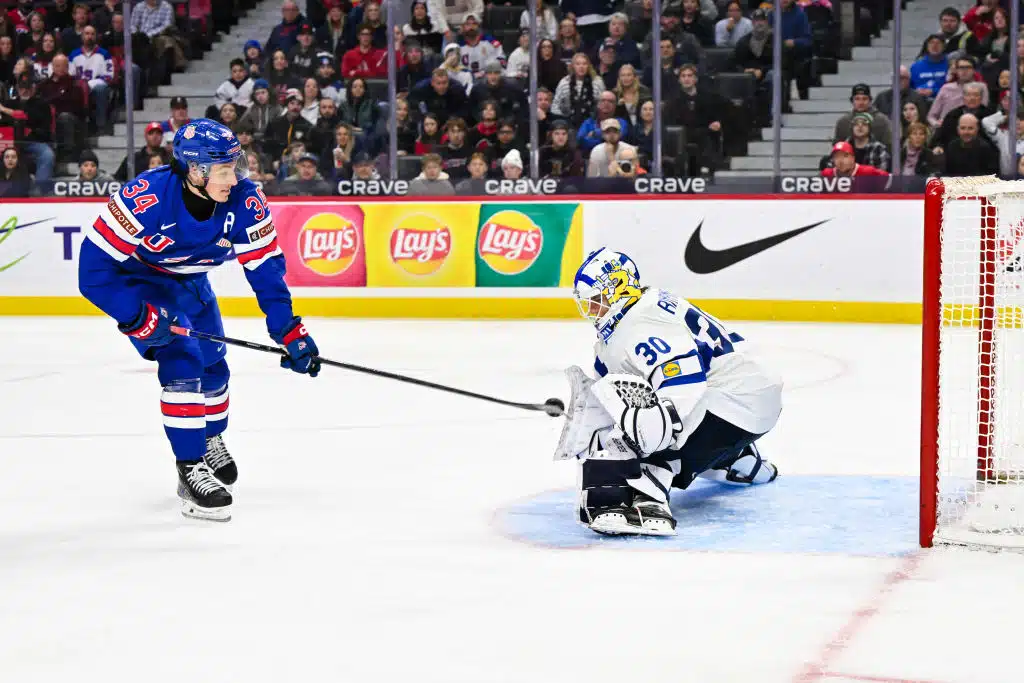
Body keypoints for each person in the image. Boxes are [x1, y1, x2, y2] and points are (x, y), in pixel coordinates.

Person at [77, 118, 320, 522]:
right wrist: (136, 316)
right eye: (224, 170)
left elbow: (265, 269)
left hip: (191, 284)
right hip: (142, 284)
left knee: (214, 366)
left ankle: (209, 439)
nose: (235, 178)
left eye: (235, 166)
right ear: (195, 170)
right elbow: (92, 272)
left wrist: (288, 330)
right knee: (184, 360)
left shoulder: (245, 199)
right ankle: (189, 469)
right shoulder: (145, 198)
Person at [554, 248, 782, 536]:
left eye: (597, 301)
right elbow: (610, 390)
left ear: (618, 290)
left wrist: (640, 442)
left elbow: (683, 387)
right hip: (750, 397)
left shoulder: (640, 324)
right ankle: (736, 458)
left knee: (648, 430)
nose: (592, 310)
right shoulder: (642, 310)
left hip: (736, 404)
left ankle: (646, 498)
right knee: (644, 416)